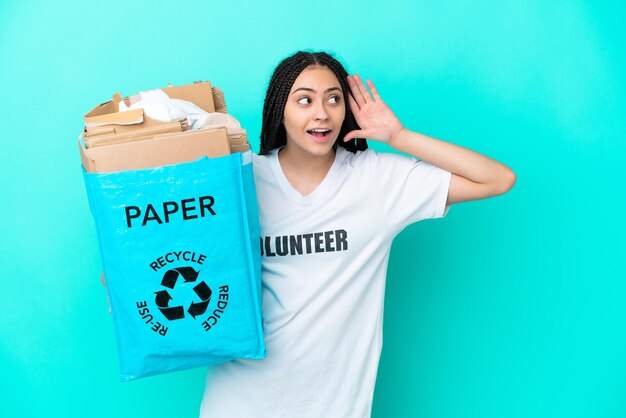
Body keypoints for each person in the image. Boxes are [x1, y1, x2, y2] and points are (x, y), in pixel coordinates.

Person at [199, 50, 515, 418]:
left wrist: (399, 136)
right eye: (305, 100)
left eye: (333, 99)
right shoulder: (243, 180)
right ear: (278, 109)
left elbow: (497, 179)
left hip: (334, 406)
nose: (322, 113)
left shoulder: (378, 180)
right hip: (239, 401)